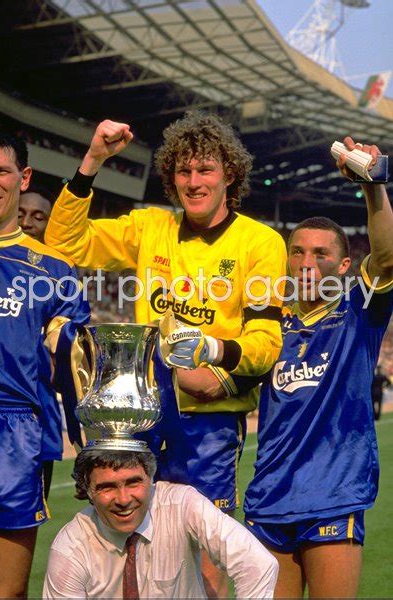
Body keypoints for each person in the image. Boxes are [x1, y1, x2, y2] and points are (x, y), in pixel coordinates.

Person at [44, 113, 286, 596]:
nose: (194, 182)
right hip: (145, 417)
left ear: (230, 174)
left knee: (212, 556)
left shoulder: (261, 243)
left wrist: (214, 351)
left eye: (205, 170)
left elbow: (266, 342)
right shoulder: (149, 227)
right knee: (136, 546)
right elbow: (64, 242)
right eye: (183, 171)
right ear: (171, 178)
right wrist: (93, 159)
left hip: (208, 423)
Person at [244, 137, 393, 598]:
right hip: (269, 493)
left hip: (334, 493)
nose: (307, 262)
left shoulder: (360, 309)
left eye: (321, 254)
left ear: (345, 264)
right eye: (298, 252)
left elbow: (388, 256)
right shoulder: (265, 320)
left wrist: (373, 188)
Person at [0, 130, 90, 599]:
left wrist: (86, 442)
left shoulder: (53, 270)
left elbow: (76, 370)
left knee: (7, 591)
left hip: (16, 434)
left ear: (22, 176)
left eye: (0, 170)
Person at [43, 448, 278, 599]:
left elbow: (257, 564)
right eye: (107, 487)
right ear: (88, 491)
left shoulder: (182, 504)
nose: (124, 499)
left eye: (134, 483)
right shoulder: (71, 546)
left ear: (151, 480)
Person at [18, 188, 59, 499]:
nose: (27, 221)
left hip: (36, 421)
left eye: (38, 216)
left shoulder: (60, 276)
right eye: (20, 213)